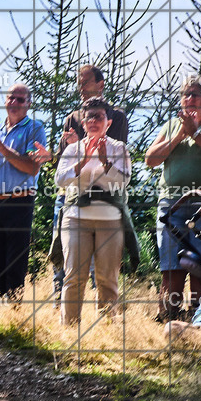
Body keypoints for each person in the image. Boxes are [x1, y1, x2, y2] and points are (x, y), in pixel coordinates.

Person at [146, 75, 201, 321]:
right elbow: (151, 159)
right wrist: (178, 137)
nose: (189, 99)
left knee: (200, 266)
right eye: (185, 94)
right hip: (172, 205)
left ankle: (199, 320)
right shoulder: (171, 126)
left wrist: (195, 133)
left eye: (195, 94)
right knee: (171, 267)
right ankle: (168, 319)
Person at [53, 99, 135, 324]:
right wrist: (82, 163)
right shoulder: (73, 149)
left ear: (108, 123)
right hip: (75, 218)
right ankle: (69, 329)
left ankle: (107, 328)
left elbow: (124, 180)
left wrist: (106, 162)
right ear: (83, 123)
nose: (93, 121)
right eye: (89, 117)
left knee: (107, 279)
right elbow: (60, 180)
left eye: (99, 116)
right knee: (74, 276)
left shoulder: (119, 148)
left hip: (110, 219)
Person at [0, 83, 50, 301]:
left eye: (20, 99)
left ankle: (15, 311)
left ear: (29, 104)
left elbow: (32, 167)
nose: (14, 103)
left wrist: (2, 148)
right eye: (10, 98)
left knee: (15, 262)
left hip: (19, 202)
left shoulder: (35, 129)